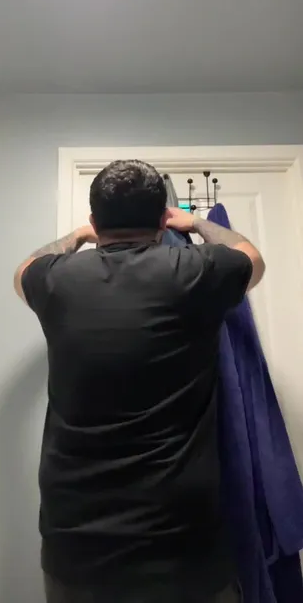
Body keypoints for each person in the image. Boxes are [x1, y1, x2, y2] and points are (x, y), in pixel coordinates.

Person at [14, 160, 265, 603]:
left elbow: (23, 270)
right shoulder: (195, 271)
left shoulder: (57, 280)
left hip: (76, 544)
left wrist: (78, 236)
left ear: (96, 221)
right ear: (163, 219)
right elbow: (252, 259)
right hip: (182, 544)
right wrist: (197, 223)